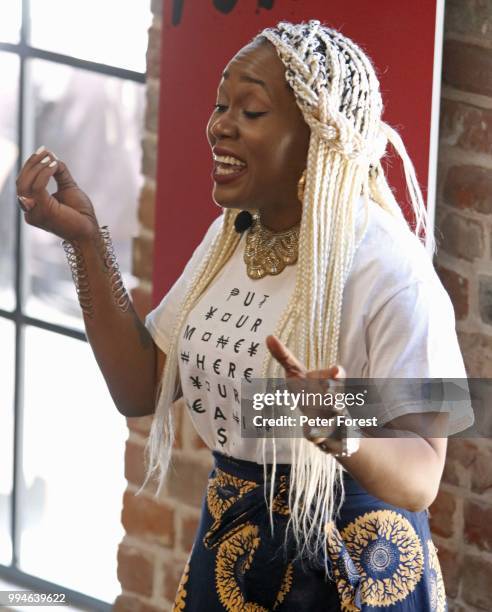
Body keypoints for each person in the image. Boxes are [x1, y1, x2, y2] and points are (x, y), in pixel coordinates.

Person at [17, 19, 473, 612]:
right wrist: (84, 242)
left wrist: (343, 426)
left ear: (318, 134)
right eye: (220, 104)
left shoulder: (390, 271)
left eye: (251, 111)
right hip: (232, 553)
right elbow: (140, 385)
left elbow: (423, 475)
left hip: (354, 571)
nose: (219, 126)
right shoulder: (231, 238)